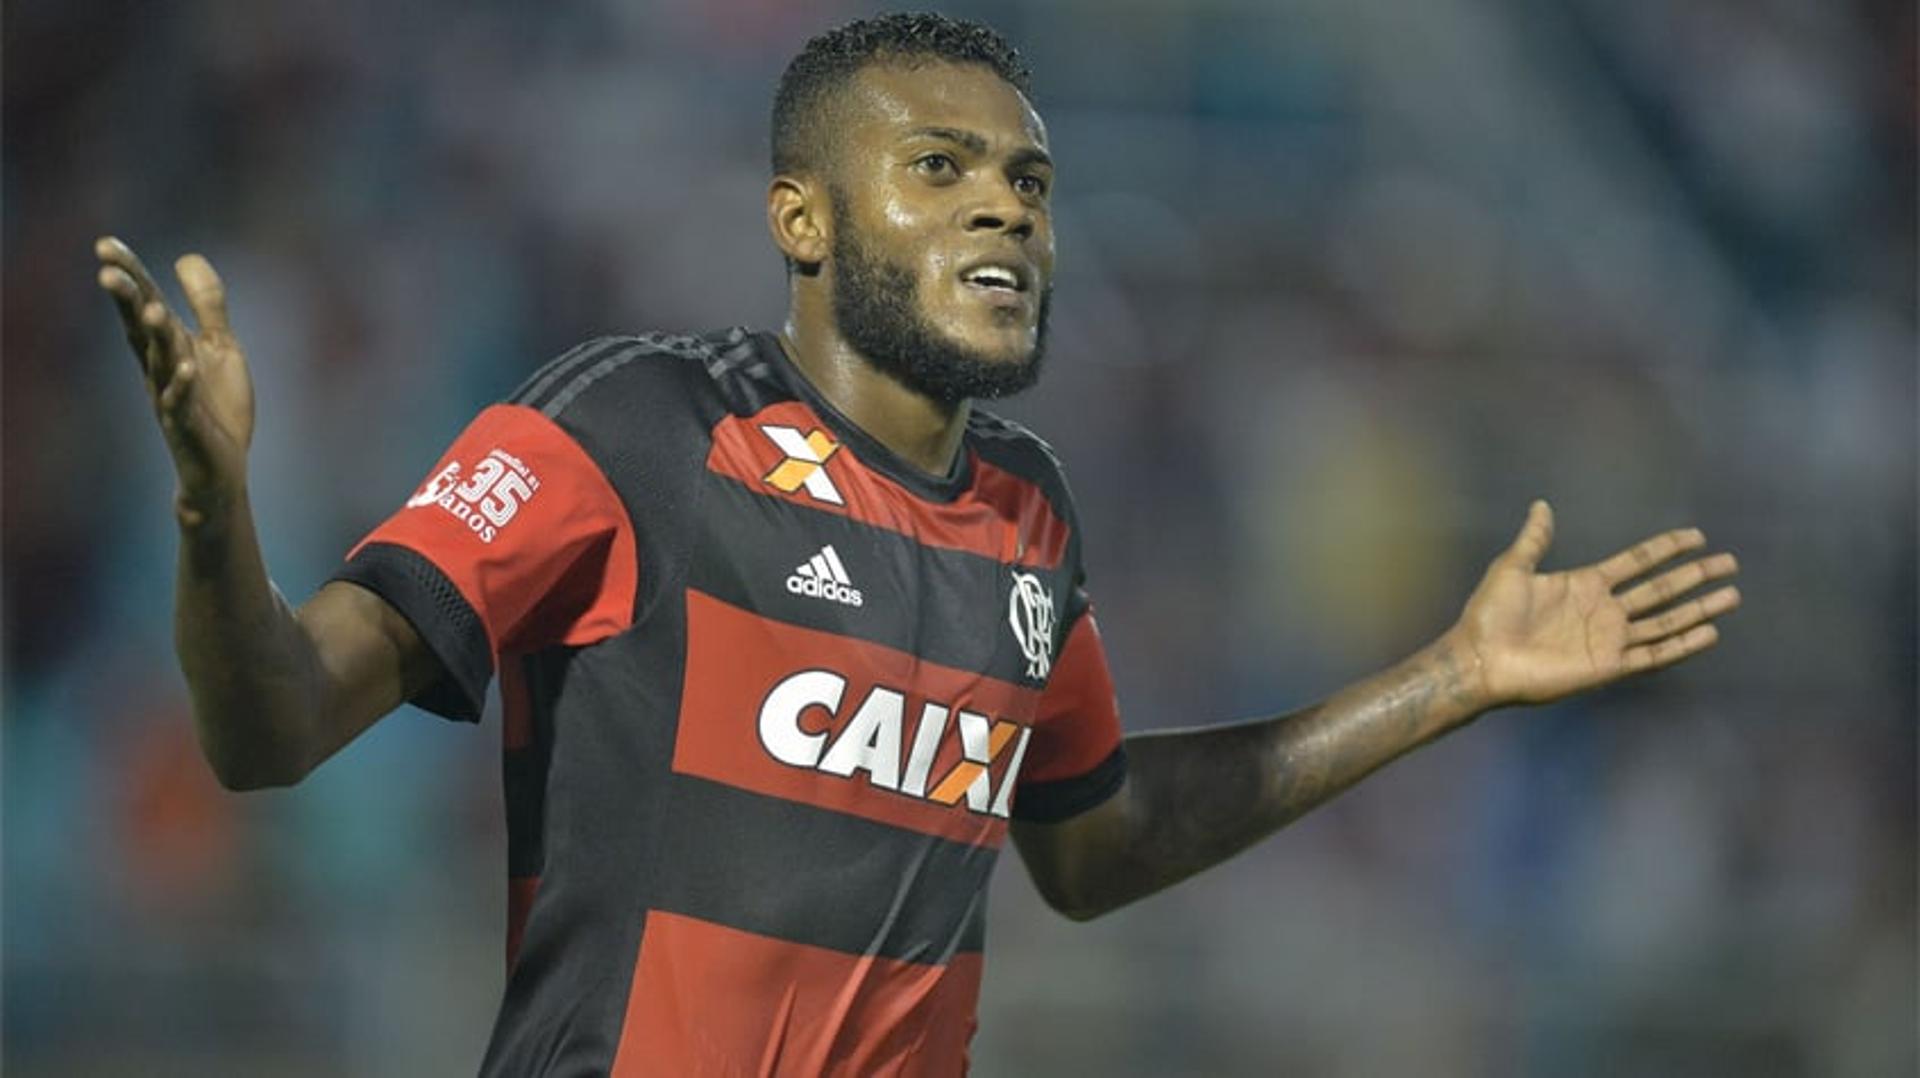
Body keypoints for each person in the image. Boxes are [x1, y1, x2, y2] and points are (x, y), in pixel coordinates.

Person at [93, 12, 1741, 1077]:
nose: (1004, 211)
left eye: (1028, 182)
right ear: (802, 219)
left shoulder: (1031, 519)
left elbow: (1091, 846)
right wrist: (210, 510)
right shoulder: (628, 431)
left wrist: (1452, 675)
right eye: (939, 169)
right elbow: (273, 728)